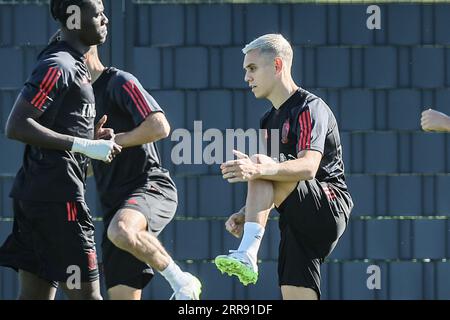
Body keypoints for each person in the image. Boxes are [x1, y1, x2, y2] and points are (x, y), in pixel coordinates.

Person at [214, 34, 353, 300]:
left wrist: (256, 169)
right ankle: (247, 251)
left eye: (252, 68)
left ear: (277, 65)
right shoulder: (268, 120)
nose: (246, 78)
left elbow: (309, 167)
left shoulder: (309, 107)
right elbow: (272, 177)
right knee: (294, 295)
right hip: (297, 217)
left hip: (328, 206)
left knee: (259, 163)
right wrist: (246, 212)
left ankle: (247, 253)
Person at [0, 0, 121, 300]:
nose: (105, 19)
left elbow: (53, 126)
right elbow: (17, 125)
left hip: (39, 200)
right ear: (74, 18)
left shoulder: (74, 64)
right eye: (98, 13)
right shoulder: (59, 64)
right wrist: (84, 145)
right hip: (58, 204)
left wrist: (90, 137)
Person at [84, 46, 201, 300]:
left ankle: (182, 282)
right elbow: (91, 166)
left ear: (85, 48)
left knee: (121, 230)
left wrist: (115, 140)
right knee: (119, 234)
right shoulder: (78, 101)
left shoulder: (119, 81)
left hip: (150, 186)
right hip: (113, 206)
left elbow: (160, 126)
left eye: (64, 54)